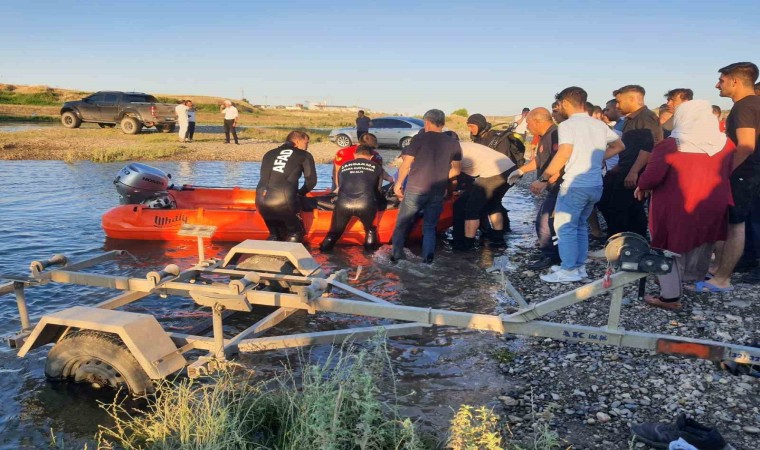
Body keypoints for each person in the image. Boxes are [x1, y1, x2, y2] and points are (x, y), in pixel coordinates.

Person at [635, 100, 734, 310]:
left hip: (677, 203)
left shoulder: (671, 145)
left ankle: (670, 297)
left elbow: (652, 176)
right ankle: (688, 277)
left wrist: (641, 186)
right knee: (701, 241)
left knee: (668, 246)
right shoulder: (726, 144)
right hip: (712, 201)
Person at [538, 87, 624, 283]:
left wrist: (544, 178)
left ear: (566, 103)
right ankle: (579, 267)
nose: (559, 109)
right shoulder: (598, 125)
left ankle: (568, 270)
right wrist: (596, 159)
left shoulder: (568, 126)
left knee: (565, 226)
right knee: (580, 226)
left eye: (559, 105)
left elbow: (564, 153)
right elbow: (620, 146)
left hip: (576, 184)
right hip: (595, 185)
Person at [703, 62, 760, 292]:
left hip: (744, 174)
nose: (718, 85)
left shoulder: (744, 107)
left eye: (722, 80)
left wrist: (725, 171)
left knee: (735, 225)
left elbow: (746, 145)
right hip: (753, 173)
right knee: (738, 222)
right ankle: (718, 270)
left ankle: (722, 278)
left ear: (735, 81)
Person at [392, 109, 462, 263]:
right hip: (437, 191)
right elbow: (456, 169)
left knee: (402, 224)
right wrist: (441, 176)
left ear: (427, 122)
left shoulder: (418, 139)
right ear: (442, 123)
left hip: (416, 188)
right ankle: (428, 260)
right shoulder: (453, 143)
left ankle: (396, 258)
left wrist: (398, 184)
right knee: (429, 227)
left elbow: (406, 164)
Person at [597, 85, 662, 239]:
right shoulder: (630, 119)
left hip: (635, 171)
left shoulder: (646, 118)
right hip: (626, 168)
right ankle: (633, 242)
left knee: (621, 208)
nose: (617, 106)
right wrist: (619, 167)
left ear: (632, 99)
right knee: (625, 208)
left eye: (619, 102)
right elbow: (630, 148)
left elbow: (648, 147)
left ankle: (622, 242)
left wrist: (633, 172)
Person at [509, 107, 562, 269]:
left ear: (538, 121)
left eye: (528, 122)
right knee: (546, 221)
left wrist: (544, 181)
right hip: (552, 187)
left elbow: (561, 161)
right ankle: (551, 253)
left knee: (545, 222)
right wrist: (520, 170)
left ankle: (551, 257)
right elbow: (539, 160)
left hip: (560, 187)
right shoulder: (544, 136)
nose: (526, 127)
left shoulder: (556, 134)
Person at [451, 141, 515, 251]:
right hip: (511, 169)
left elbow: (454, 175)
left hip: (494, 172)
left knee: (471, 208)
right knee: (493, 204)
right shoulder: (461, 145)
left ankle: (467, 244)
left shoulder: (451, 152)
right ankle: (498, 239)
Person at [320, 145, 383, 252]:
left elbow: (340, 186)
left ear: (354, 155)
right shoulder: (376, 167)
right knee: (371, 231)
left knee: (333, 233)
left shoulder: (344, 165)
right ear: (371, 156)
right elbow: (378, 190)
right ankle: (370, 258)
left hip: (344, 203)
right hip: (366, 203)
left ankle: (322, 255)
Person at [256, 131, 316, 242]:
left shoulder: (269, 153)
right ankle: (289, 259)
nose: (307, 147)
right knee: (295, 233)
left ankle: (268, 256)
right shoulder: (304, 155)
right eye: (306, 143)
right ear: (298, 141)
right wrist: (299, 194)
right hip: (284, 200)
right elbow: (311, 182)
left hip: (261, 201)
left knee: (275, 234)